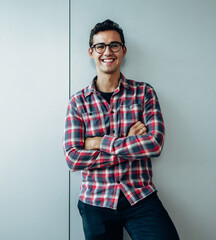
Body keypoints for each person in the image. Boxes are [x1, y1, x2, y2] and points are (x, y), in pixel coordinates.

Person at [63, 19, 179, 240]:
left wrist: (98, 142)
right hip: (95, 201)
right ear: (91, 52)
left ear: (123, 50)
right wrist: (127, 142)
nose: (107, 51)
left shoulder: (144, 93)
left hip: (140, 197)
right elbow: (73, 159)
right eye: (100, 46)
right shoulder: (77, 102)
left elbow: (154, 144)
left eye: (114, 45)